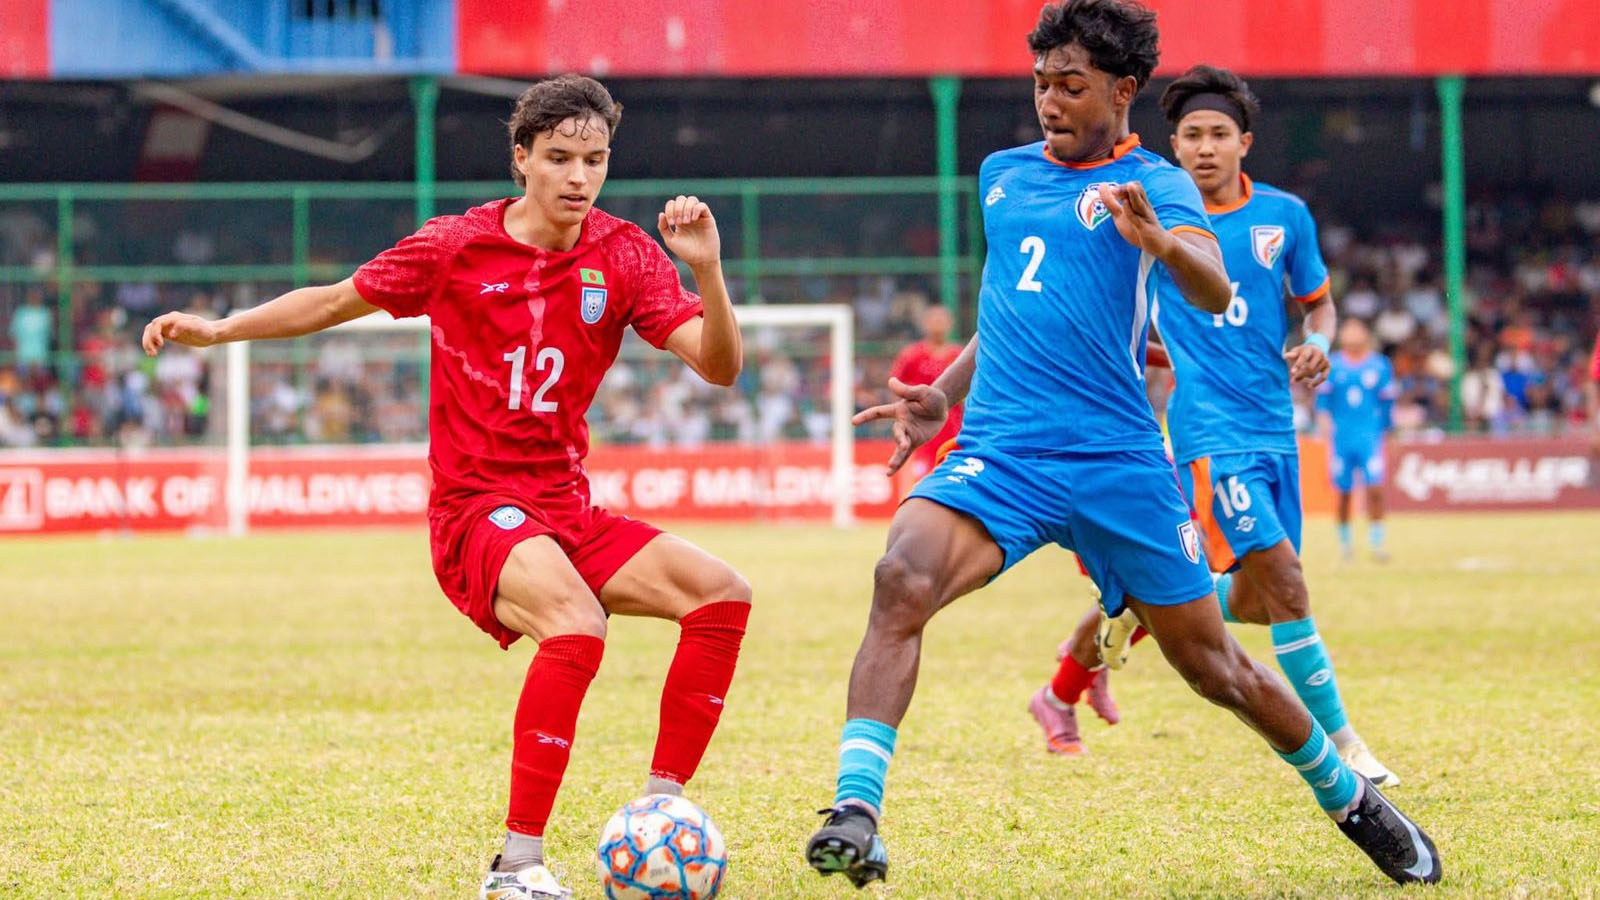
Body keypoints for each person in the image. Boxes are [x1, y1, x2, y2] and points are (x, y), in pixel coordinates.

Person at [805, 0, 1438, 889]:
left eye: (1071, 86)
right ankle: (855, 810)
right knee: (899, 576)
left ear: (1124, 89)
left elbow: (1215, 291)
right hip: (1005, 452)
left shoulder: (1159, 185)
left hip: (1117, 462)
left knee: (1213, 667)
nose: (1050, 103)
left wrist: (1159, 243)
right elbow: (1009, 309)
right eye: (1040, 85)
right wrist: (938, 400)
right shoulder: (1002, 175)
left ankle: (1352, 801)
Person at [142, 75, 753, 900]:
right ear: (521, 159)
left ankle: (659, 818)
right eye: (561, 159)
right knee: (576, 626)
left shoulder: (626, 254)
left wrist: (708, 274)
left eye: (596, 160)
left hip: (567, 508)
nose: (579, 177)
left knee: (722, 595)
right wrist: (220, 329)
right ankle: (516, 866)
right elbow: (330, 302)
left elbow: (718, 368)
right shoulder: (455, 247)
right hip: (477, 509)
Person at [1028, 65, 1400, 787]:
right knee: (1288, 587)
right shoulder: (1153, 217)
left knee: (1247, 600)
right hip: (1206, 433)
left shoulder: (1286, 217)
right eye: (1191, 135)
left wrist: (1319, 344)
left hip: (1275, 431)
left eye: (1218, 135)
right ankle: (1347, 750)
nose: (1203, 148)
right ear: (1174, 144)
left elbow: (1318, 305)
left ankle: (1062, 689)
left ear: (1244, 143)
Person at [1318, 317, 1398, 563]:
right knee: (1343, 493)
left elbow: (1387, 403)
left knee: (1375, 489)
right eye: (1347, 329)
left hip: (1370, 437)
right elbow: (1323, 404)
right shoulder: (1332, 364)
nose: (1351, 334)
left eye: (1356, 329)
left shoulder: (1380, 365)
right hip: (1342, 438)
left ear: (1365, 334)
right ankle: (1345, 544)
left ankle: (1377, 544)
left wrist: (1390, 433)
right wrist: (1324, 428)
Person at [887, 303, 964, 485]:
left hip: (954, 429)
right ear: (925, 324)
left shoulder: (960, 356)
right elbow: (896, 386)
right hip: (922, 430)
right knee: (919, 481)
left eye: (942, 320)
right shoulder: (912, 355)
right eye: (933, 320)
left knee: (951, 479)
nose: (938, 324)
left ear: (950, 324)